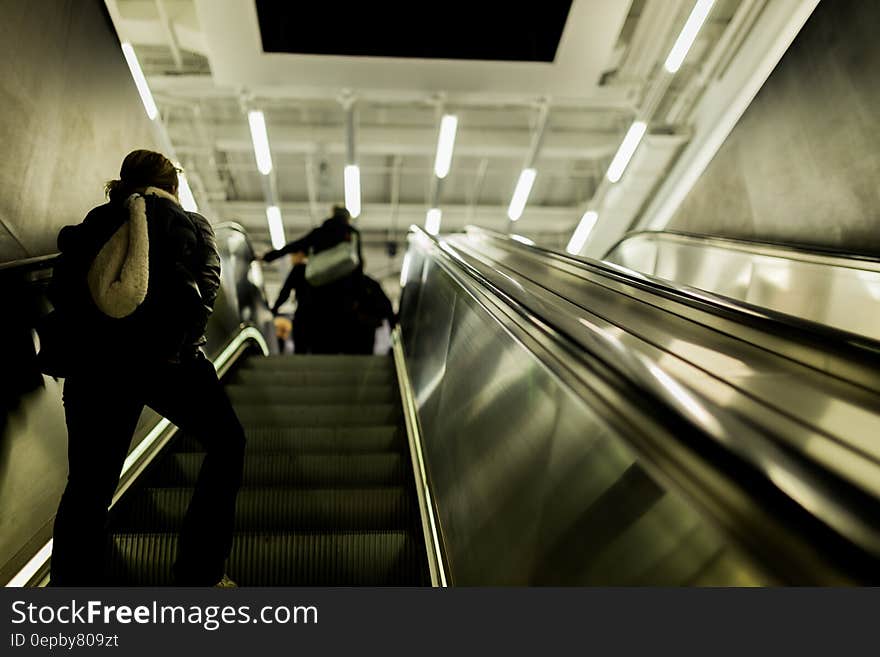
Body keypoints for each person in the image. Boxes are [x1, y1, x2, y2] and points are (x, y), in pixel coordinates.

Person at [49, 150, 245, 587]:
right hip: (168, 366)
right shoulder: (191, 225)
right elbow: (205, 292)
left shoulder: (96, 223)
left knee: (88, 486)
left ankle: (69, 597)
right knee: (228, 443)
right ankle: (200, 573)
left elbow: (63, 289)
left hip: (95, 370)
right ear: (172, 185)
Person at [262, 205, 364, 354]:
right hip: (341, 300)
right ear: (347, 218)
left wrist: (268, 257)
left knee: (313, 344)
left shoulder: (320, 232)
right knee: (330, 346)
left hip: (316, 296)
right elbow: (358, 267)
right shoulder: (352, 235)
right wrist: (358, 297)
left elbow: (295, 246)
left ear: (332, 215)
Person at [269, 252, 313, 354]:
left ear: (300, 255)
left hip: (303, 313)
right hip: (322, 315)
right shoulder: (321, 269)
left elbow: (285, 292)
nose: (291, 260)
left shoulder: (299, 269)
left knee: (301, 348)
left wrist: (274, 309)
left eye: (292, 256)